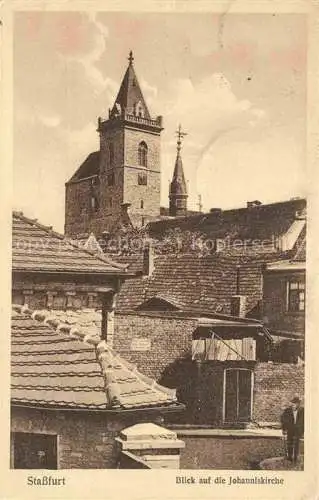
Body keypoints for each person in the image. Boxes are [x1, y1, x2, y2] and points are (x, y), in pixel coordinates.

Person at [280, 396, 304, 463]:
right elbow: (283, 420)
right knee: (289, 443)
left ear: (298, 404)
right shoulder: (287, 411)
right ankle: (289, 457)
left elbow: (304, 421)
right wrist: (284, 430)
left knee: (296, 444)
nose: (293, 405)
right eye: (292, 403)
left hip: (298, 430)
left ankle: (295, 458)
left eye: (295, 404)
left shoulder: (302, 410)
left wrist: (303, 431)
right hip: (290, 429)